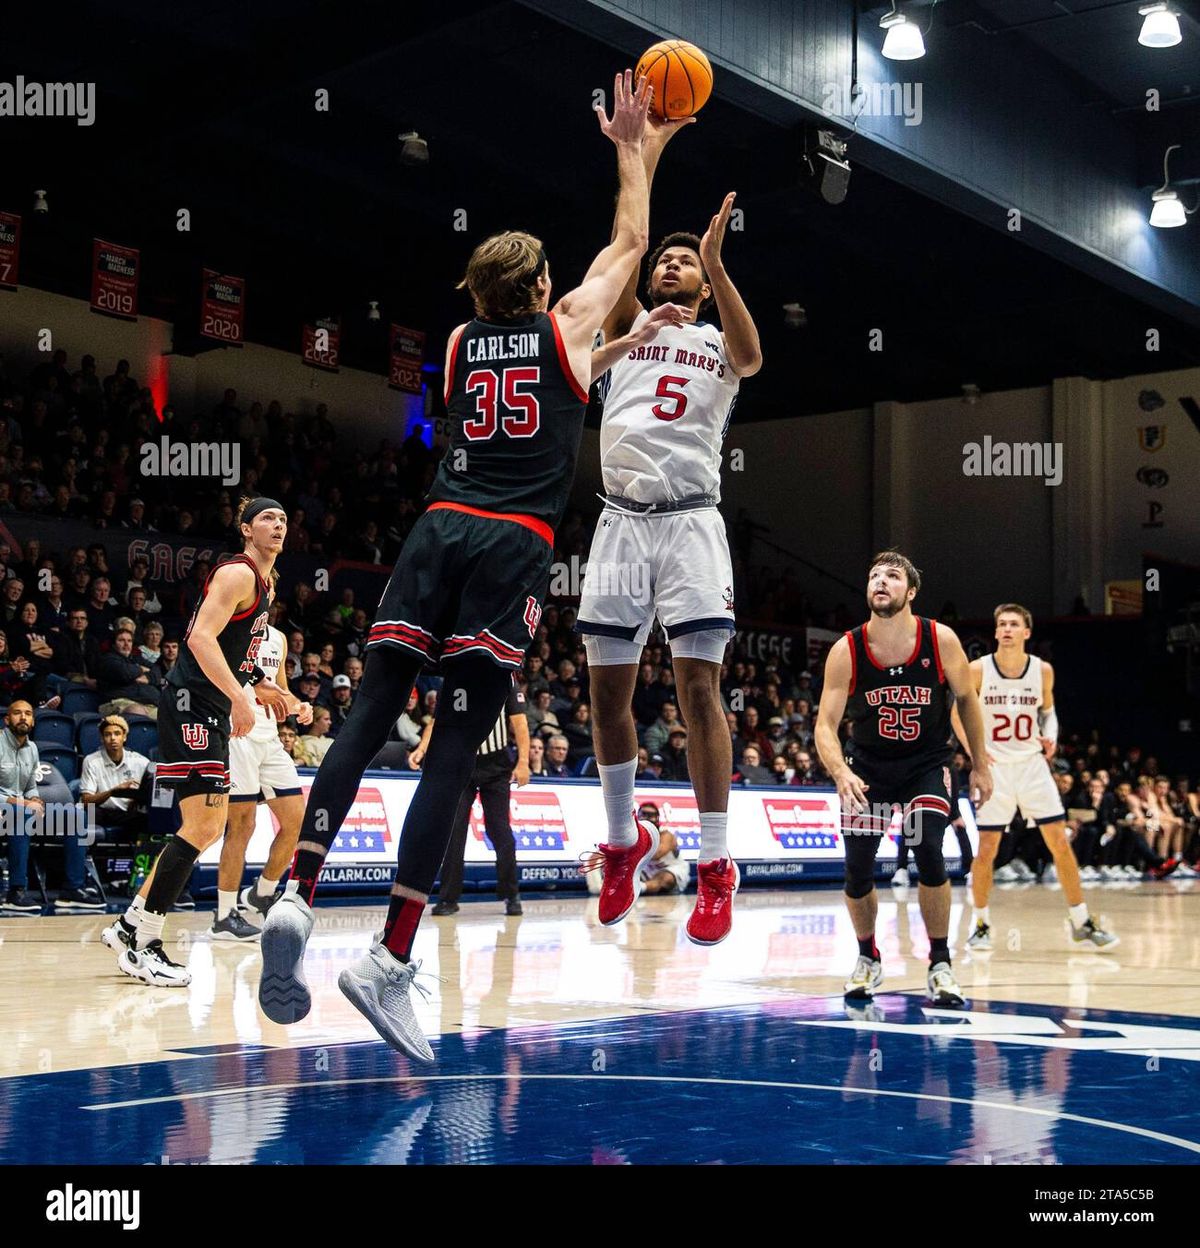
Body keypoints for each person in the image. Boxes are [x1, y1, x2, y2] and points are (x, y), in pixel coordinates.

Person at [258, 70, 656, 1061]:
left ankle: (296, 895)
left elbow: (551, 378)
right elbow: (634, 245)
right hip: (512, 546)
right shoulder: (564, 326)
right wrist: (636, 147)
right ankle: (391, 955)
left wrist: (617, 350)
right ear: (541, 287)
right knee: (456, 749)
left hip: (436, 530)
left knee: (364, 713)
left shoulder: (460, 341)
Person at [578, 102, 762, 948]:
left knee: (698, 690)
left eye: (687, 262)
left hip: (690, 525)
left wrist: (720, 262)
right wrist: (640, 152)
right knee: (606, 693)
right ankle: (621, 846)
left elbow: (755, 357)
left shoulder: (722, 341)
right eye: (669, 260)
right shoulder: (625, 326)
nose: (672, 266)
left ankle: (718, 865)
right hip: (620, 521)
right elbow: (629, 237)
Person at [100, 499, 290, 985]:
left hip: (204, 707)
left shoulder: (263, 584)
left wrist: (258, 684)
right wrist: (239, 699)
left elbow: (231, 648)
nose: (278, 525)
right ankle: (142, 942)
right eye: (268, 518)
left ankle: (131, 928)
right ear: (247, 529)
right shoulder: (239, 573)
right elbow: (201, 640)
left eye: (284, 520)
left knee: (205, 826)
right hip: (193, 705)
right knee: (206, 825)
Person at [814, 551, 993, 1007]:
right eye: (874, 575)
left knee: (929, 847)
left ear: (910, 591)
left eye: (892, 576)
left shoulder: (940, 639)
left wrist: (980, 762)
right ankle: (867, 957)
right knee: (857, 871)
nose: (880, 581)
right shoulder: (846, 649)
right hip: (867, 769)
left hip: (926, 763)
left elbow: (967, 700)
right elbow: (824, 725)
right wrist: (839, 771)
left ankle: (939, 964)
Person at [957, 604, 1118, 953]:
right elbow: (958, 711)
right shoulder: (978, 669)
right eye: (1001, 624)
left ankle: (1081, 921)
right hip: (996, 769)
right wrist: (976, 755)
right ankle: (981, 924)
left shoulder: (1042, 671)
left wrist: (1052, 736)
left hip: (1032, 766)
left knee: (1059, 843)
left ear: (1027, 632)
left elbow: (1048, 711)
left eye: (1014, 624)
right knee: (986, 850)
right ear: (995, 632)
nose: (1007, 629)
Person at [212, 580, 313, 941]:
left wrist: (299, 705)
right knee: (242, 826)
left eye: (270, 587)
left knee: (297, 821)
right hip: (238, 734)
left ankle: (262, 893)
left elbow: (279, 688)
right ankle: (224, 916)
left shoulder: (279, 639)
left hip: (270, 738)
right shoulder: (230, 626)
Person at [410, 676, 530, 917]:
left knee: (500, 830)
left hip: (496, 767)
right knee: (454, 832)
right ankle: (448, 898)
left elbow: (519, 723)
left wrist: (524, 761)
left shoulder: (504, 680)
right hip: (462, 764)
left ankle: (511, 893)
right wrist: (421, 749)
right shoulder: (453, 682)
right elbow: (436, 722)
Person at [79, 712, 153, 849]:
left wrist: (138, 799)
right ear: (102, 738)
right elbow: (86, 800)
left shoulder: (141, 762)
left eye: (117, 734)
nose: (113, 738)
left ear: (124, 737)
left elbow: (149, 792)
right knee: (86, 813)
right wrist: (113, 792)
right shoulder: (91, 761)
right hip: (101, 811)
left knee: (148, 818)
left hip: (128, 813)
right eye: (107, 734)